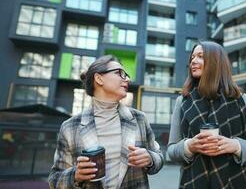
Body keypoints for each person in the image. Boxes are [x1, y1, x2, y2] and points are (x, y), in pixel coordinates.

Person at [48, 55, 163, 189]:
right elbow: (54, 180)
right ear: (99, 78)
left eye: (126, 75)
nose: (128, 79)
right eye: (119, 73)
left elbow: (159, 157)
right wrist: (76, 175)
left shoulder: (139, 119)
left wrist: (150, 159)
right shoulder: (69, 127)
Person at [167, 41, 246, 188]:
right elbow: (171, 150)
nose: (193, 61)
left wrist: (235, 146)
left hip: (239, 183)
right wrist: (189, 146)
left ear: (216, 62)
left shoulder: (242, 100)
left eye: (200, 56)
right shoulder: (182, 102)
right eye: (192, 57)